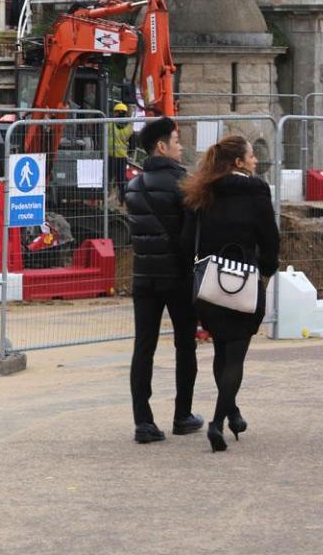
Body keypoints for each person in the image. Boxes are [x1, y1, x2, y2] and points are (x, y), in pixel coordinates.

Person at [180, 135, 279, 453]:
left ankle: (232, 412)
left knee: (222, 350)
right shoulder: (257, 190)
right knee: (235, 356)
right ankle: (217, 422)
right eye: (250, 156)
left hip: (208, 285)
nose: (254, 161)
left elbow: (186, 240)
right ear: (238, 162)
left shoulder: (202, 188)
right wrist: (266, 268)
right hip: (243, 283)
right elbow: (269, 238)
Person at [125, 116, 203, 444]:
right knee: (185, 345)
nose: (181, 146)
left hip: (144, 277)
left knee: (144, 347)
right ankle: (182, 415)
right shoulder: (185, 183)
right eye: (176, 141)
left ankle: (143, 422)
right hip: (178, 277)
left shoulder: (133, 186)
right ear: (161, 147)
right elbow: (191, 237)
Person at [107, 102, 133, 204]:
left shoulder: (109, 123)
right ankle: (122, 201)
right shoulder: (130, 127)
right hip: (122, 157)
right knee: (121, 180)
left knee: (108, 179)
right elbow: (133, 144)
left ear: (115, 113)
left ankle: (104, 199)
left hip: (110, 156)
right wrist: (128, 153)